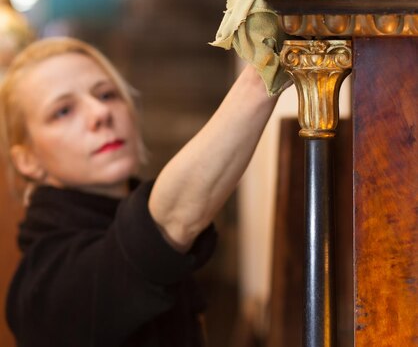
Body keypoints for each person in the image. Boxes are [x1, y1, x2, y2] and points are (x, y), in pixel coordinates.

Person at [0, 35, 280, 347]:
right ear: (27, 160)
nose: (99, 114)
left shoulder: (124, 217)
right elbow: (165, 225)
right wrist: (266, 67)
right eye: (63, 111)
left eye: (107, 95)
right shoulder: (41, 287)